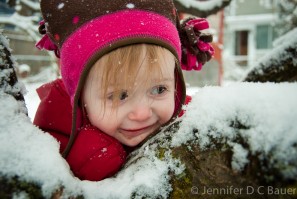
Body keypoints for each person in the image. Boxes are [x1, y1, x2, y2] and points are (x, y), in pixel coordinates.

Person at [34, 0, 214, 181]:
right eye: (120, 95)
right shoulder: (56, 132)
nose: (142, 113)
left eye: (159, 89)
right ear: (79, 96)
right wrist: (82, 163)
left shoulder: (188, 119)